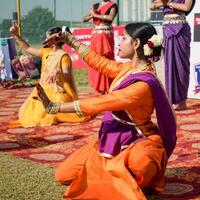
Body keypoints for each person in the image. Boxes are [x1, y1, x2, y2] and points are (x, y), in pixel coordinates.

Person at [37, 23, 177, 199]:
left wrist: (55, 107)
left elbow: (101, 103)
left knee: (141, 163)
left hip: (138, 138)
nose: (118, 40)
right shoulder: (128, 69)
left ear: (136, 44)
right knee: (62, 175)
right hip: (112, 135)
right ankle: (112, 171)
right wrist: (69, 39)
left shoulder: (142, 85)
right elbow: (99, 62)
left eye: (123, 37)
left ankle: (122, 174)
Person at [9, 25, 88, 126]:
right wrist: (17, 36)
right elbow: (27, 48)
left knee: (49, 115)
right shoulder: (45, 52)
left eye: (47, 37)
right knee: (22, 113)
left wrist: (58, 71)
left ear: (55, 39)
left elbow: (67, 75)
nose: (45, 39)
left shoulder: (63, 56)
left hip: (57, 90)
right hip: (42, 89)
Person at [150, 0, 196, 110]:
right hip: (167, 29)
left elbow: (186, 7)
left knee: (181, 66)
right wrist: (159, 3)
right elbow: (152, 6)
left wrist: (167, 3)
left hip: (180, 29)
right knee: (170, 64)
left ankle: (182, 102)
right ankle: (171, 99)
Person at [83, 0, 118, 94]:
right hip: (95, 36)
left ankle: (109, 87)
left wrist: (95, 15)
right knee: (96, 60)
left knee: (106, 59)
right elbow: (84, 19)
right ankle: (98, 88)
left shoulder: (112, 5)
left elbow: (110, 18)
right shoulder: (96, 5)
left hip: (105, 36)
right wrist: (92, 15)